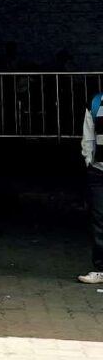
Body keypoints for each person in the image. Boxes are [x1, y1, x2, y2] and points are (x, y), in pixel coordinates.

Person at [78, 92, 103, 283]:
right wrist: (89, 160)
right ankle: (101, 268)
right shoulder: (96, 102)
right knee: (99, 219)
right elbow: (89, 135)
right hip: (99, 170)